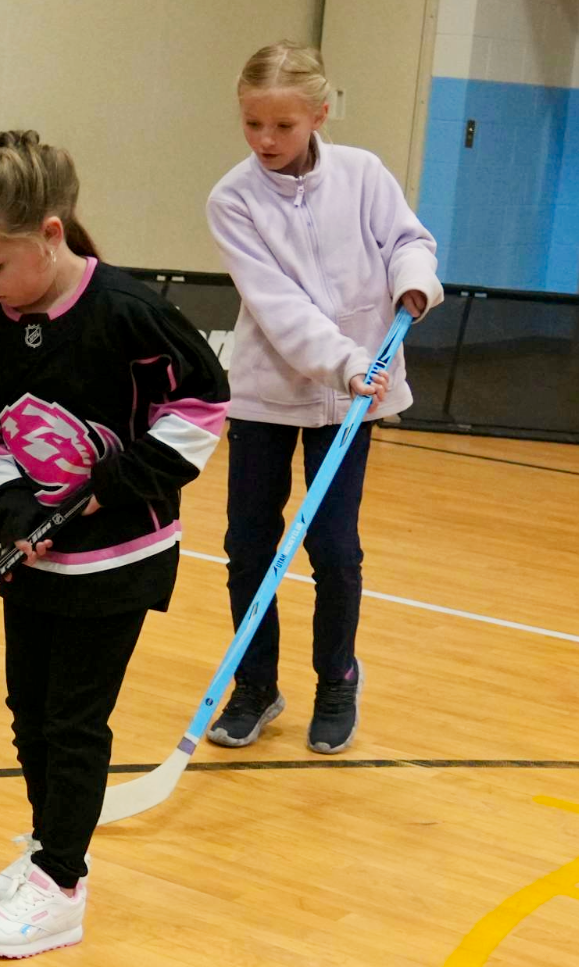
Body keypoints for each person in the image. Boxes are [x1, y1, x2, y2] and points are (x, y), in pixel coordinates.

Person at [0, 130, 227, 959]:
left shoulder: (130, 314)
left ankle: (61, 884)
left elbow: (202, 406)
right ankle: (46, 847)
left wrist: (121, 481)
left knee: (73, 720)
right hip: (33, 556)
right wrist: (15, 513)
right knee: (28, 712)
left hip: (120, 559)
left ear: (52, 235)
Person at [198, 41, 438, 754]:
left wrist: (414, 283)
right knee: (248, 545)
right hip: (271, 393)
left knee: (335, 547)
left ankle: (336, 678)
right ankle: (255, 686)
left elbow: (406, 239)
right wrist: (343, 361)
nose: (265, 141)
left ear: (319, 116)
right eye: (252, 125)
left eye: (282, 127)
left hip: (353, 400)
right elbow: (278, 307)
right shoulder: (232, 200)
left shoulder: (362, 173)